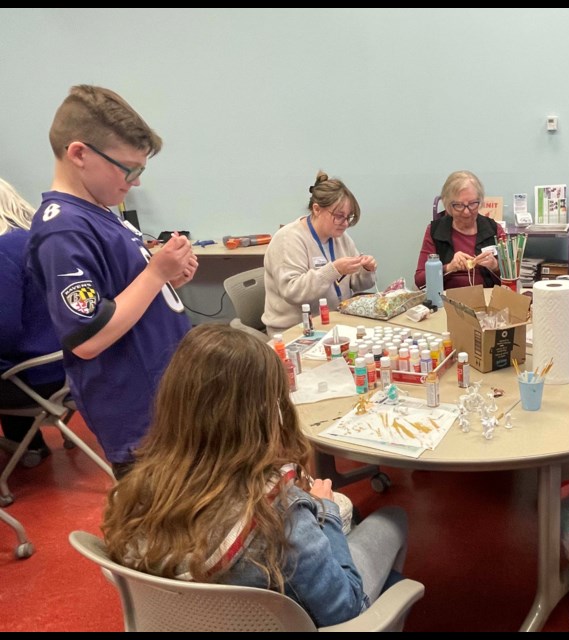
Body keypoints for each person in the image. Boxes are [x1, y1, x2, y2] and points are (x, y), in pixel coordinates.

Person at [101, 324, 408, 628]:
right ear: (266, 413)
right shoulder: (280, 514)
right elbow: (344, 607)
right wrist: (325, 512)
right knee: (392, 519)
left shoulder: (133, 491)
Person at [26, 85, 197, 478]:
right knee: (168, 530)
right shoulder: (63, 229)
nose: (134, 181)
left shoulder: (101, 213)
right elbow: (89, 338)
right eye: (128, 168)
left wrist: (169, 279)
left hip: (169, 406)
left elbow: (123, 297)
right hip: (141, 420)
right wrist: (156, 274)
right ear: (79, 153)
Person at [263, 171, 377, 336]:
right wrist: (334, 270)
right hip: (295, 330)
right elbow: (293, 291)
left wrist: (365, 270)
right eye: (339, 216)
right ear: (316, 209)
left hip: (333, 322)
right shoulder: (288, 239)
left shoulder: (340, 237)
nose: (345, 224)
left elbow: (357, 284)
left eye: (348, 217)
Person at [0, 178, 63, 464]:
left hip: (36, 379)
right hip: (70, 367)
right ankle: (27, 445)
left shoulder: (2, 251)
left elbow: (5, 332)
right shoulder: (40, 238)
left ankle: (23, 447)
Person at [414, 170, 506, 290]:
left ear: (480, 201)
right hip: (447, 300)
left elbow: (513, 277)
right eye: (459, 205)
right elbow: (420, 281)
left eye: (473, 204)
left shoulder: (494, 229)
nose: (467, 212)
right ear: (448, 205)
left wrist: (496, 267)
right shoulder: (435, 231)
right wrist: (449, 268)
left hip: (488, 299)